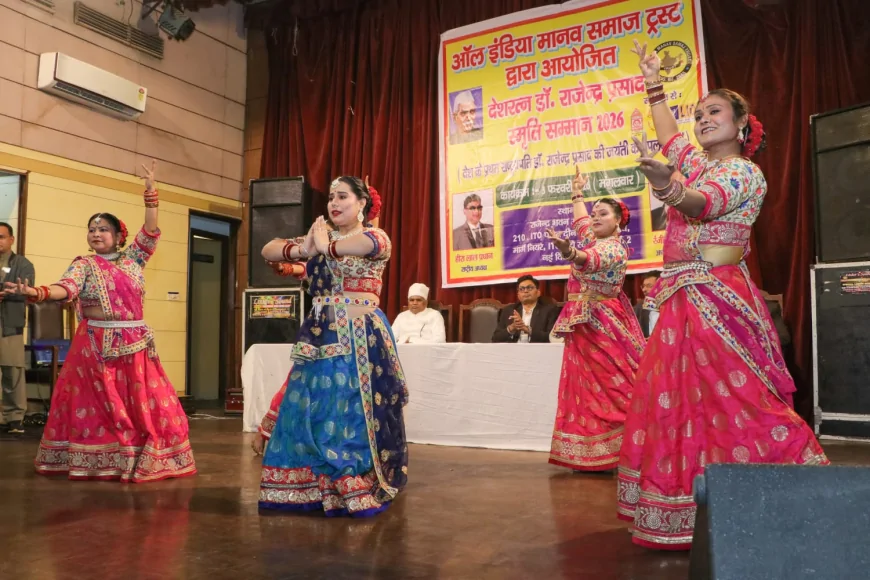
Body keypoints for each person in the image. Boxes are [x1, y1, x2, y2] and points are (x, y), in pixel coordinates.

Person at [616, 40, 828, 550]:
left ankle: (803, 491)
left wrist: (667, 187)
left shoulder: (741, 172)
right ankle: (697, 506)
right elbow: (670, 139)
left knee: (738, 398)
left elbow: (702, 204)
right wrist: (653, 85)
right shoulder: (700, 162)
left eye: (714, 112)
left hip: (716, 297)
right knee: (684, 405)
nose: (702, 119)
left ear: (742, 125)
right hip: (683, 295)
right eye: (698, 114)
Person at [3, 161, 196, 482]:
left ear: (119, 236)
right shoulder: (84, 264)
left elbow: (150, 230)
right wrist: (36, 292)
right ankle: (101, 458)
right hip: (95, 347)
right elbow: (66, 288)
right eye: (92, 230)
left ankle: (141, 454)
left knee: (141, 402)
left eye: (103, 229)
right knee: (100, 404)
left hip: (135, 345)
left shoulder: (135, 258)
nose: (96, 234)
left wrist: (151, 192)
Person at [258, 176, 408, 517]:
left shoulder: (376, 238)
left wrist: (322, 246)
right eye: (330, 198)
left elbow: (349, 248)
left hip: (359, 336)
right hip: (320, 336)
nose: (334, 204)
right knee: (310, 407)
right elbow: (268, 249)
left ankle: (352, 476)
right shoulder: (321, 238)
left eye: (342, 197)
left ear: (362, 204)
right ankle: (312, 484)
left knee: (350, 409)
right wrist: (304, 249)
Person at [544, 168, 646, 471]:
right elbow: (581, 223)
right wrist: (577, 192)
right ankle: (595, 453)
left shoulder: (613, 249)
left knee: (613, 385)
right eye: (594, 213)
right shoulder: (594, 237)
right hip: (585, 322)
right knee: (587, 388)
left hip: (604, 323)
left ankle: (637, 442)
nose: (595, 218)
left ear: (618, 221)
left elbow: (588, 260)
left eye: (603, 214)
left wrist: (568, 251)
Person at [0, 223, 34, 435]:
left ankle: (14, 417)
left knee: (12, 371)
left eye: (2, 237)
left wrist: (6, 293)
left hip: (9, 322)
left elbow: (27, 290)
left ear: (11, 239)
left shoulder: (22, 263)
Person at [492, 275, 560, 343]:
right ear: (518, 295)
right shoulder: (508, 310)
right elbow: (495, 338)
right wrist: (511, 328)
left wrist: (528, 330)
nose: (525, 291)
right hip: (513, 348)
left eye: (529, 288)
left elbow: (553, 338)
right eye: (522, 289)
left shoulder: (549, 310)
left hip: (537, 348)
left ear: (538, 292)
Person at [634, 271, 660, 338]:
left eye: (649, 286)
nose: (644, 290)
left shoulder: (672, 308)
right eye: (643, 286)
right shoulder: (638, 309)